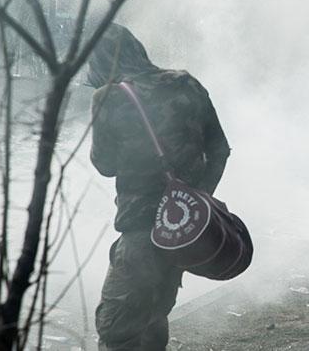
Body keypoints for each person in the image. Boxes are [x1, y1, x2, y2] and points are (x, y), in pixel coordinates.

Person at [89, 24, 231, 350]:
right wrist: (197, 200)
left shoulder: (109, 97)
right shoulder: (186, 83)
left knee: (115, 330)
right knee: (154, 318)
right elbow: (220, 149)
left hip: (141, 230)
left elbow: (104, 164)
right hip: (185, 235)